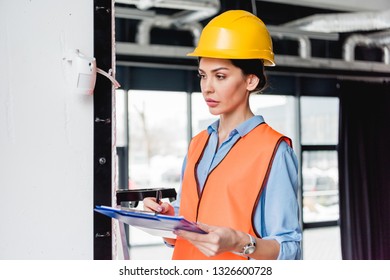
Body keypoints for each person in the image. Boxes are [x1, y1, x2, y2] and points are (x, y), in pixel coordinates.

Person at [143, 9, 302, 260]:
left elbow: (290, 249)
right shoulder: (198, 144)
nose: (207, 87)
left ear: (250, 81)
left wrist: (241, 243)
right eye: (203, 76)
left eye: (220, 76)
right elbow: (192, 222)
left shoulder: (274, 150)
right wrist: (167, 217)